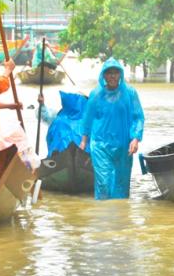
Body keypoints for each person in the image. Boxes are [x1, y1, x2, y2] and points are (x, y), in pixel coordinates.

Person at [79, 57, 144, 200]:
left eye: (116, 72)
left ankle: (120, 217)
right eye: (109, 73)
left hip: (123, 145)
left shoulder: (130, 93)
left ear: (120, 74)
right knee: (104, 183)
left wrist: (135, 138)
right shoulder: (96, 95)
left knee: (121, 185)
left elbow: (137, 117)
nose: (112, 76)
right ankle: (103, 217)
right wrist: (84, 141)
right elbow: (87, 119)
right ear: (103, 75)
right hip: (101, 144)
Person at [38, 91, 88, 157]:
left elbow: (45, 116)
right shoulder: (90, 121)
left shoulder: (58, 119)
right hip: (84, 161)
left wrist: (42, 104)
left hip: (58, 160)